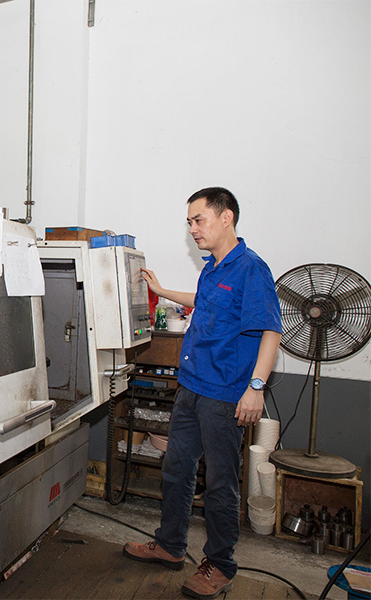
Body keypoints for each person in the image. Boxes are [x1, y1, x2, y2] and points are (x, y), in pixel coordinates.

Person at [122, 187, 282, 599]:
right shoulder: (212, 268)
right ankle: (171, 545)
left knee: (221, 483)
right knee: (176, 469)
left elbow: (271, 331)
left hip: (225, 393)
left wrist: (256, 388)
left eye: (199, 220)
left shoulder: (251, 269)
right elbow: (203, 303)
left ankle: (221, 565)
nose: (193, 229)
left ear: (226, 218)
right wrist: (163, 290)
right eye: (189, 222)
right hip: (191, 386)